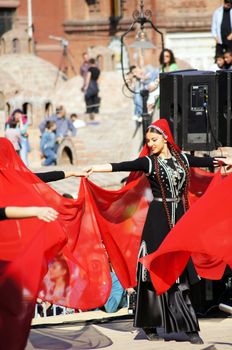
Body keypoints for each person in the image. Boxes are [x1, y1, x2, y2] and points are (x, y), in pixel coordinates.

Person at [85, 119, 232, 344]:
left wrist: (225, 162)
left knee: (180, 271)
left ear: (165, 137)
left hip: (180, 219)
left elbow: (207, 161)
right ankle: (150, 324)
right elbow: (124, 165)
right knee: (153, 273)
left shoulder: (182, 159)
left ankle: (189, 328)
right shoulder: (149, 163)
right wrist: (97, 168)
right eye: (148, 141)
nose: (151, 144)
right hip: (157, 220)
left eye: (154, 140)